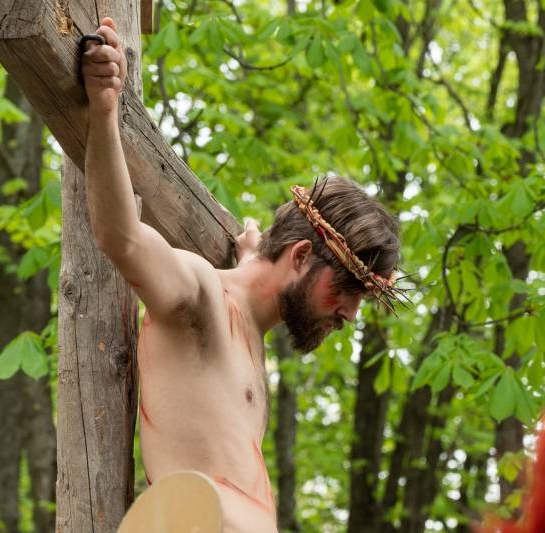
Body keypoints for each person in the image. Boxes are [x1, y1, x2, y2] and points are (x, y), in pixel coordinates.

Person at [80, 17, 401, 533]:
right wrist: (104, 108)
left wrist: (251, 259)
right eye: (346, 289)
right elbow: (123, 237)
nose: (350, 313)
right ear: (301, 256)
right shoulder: (202, 299)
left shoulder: (250, 329)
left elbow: (256, 278)